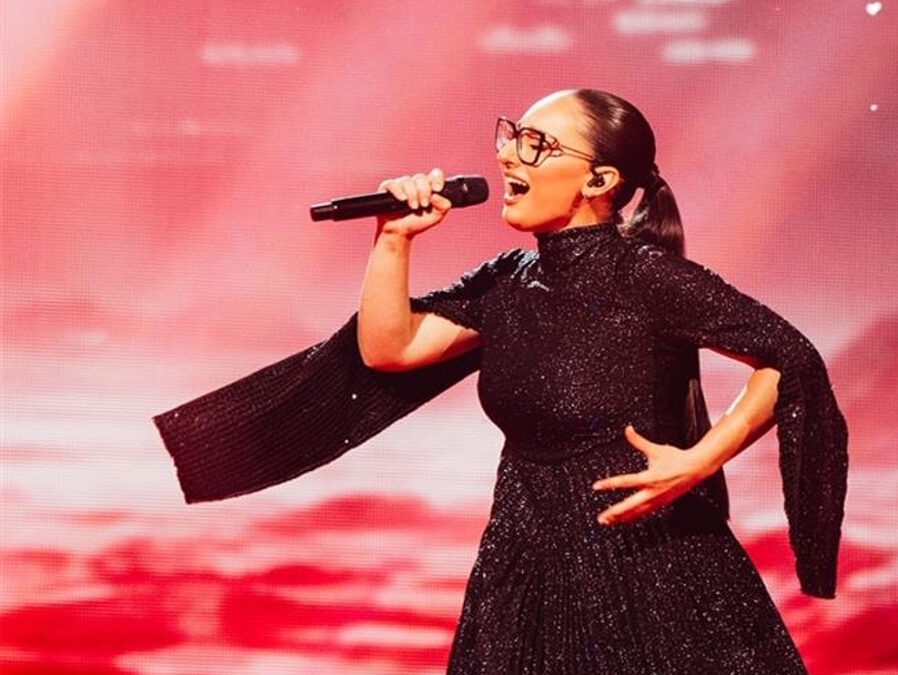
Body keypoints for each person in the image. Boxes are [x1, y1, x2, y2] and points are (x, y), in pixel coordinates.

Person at [153, 88, 848, 674]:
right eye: (513, 136)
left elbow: (790, 358)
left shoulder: (646, 277)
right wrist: (394, 238)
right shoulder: (506, 281)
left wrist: (699, 461)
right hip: (523, 563)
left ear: (599, 181)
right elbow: (390, 348)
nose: (509, 154)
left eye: (537, 145)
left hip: (652, 571)